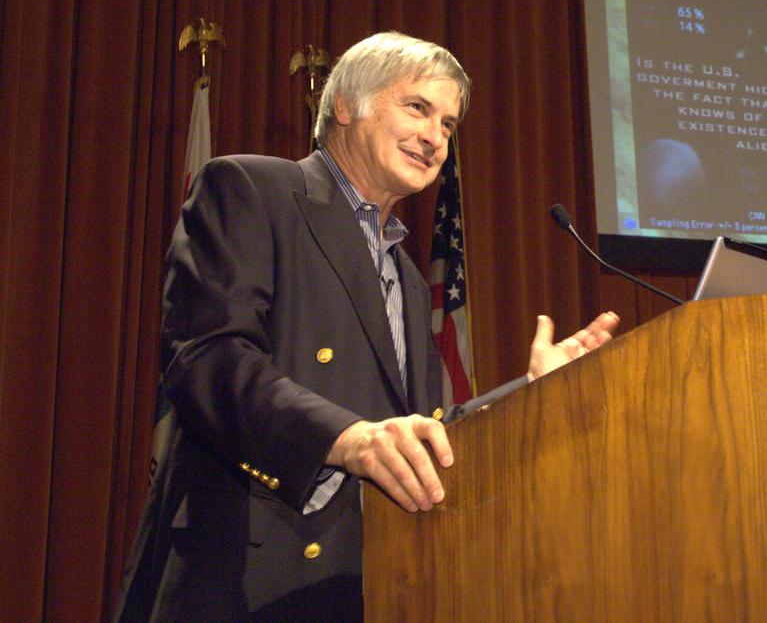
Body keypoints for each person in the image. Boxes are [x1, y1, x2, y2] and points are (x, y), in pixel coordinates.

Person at [114, 32, 619, 620]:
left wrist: (532, 395)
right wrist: (345, 438)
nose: (436, 138)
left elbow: (423, 432)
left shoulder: (405, 275)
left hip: (362, 583)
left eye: (449, 125)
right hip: (241, 578)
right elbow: (210, 360)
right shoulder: (253, 189)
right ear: (348, 104)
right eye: (418, 108)